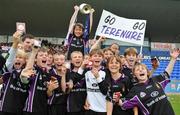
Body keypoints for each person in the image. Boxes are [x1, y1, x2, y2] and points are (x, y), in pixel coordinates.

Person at [118, 49, 179, 115]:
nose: (141, 71)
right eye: (138, 70)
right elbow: (123, 104)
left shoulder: (157, 80)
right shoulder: (134, 90)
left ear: (147, 72)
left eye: (143, 69)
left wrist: (173, 58)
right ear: (134, 75)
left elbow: (167, 73)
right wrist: (118, 99)